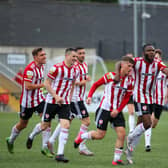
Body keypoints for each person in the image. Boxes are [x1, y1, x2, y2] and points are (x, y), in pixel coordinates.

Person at [74, 56, 135, 165]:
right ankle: (81, 137)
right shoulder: (110, 76)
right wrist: (89, 96)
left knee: (122, 134)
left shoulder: (130, 81)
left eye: (132, 66)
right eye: (129, 66)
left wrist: (118, 110)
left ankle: (116, 160)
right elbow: (95, 84)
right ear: (122, 65)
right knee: (100, 135)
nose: (131, 68)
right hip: (104, 110)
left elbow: (126, 98)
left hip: (117, 111)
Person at [25, 48, 78, 163]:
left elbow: (73, 84)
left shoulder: (75, 70)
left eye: (76, 57)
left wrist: (69, 97)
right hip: (51, 102)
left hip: (64, 103)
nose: (75, 59)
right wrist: (56, 96)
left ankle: (60, 154)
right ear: (67, 56)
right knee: (44, 126)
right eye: (73, 56)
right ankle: (31, 135)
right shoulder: (56, 68)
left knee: (66, 125)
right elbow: (47, 83)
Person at [121, 44, 168, 164]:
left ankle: (129, 152)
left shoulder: (157, 63)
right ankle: (130, 136)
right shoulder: (137, 62)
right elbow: (125, 64)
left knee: (140, 125)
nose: (151, 52)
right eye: (149, 51)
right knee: (148, 123)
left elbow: (165, 70)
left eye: (153, 50)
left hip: (150, 98)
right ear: (144, 53)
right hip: (139, 97)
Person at [47, 47, 93, 156]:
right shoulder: (74, 66)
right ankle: (81, 145)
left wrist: (85, 80)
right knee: (86, 121)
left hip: (78, 97)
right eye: (79, 53)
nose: (82, 55)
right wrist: (84, 81)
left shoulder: (84, 65)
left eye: (83, 53)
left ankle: (51, 140)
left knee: (67, 121)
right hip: (75, 99)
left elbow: (82, 79)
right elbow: (74, 82)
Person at [6, 48, 51, 156]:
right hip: (27, 103)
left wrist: (44, 89)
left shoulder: (42, 66)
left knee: (47, 122)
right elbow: (28, 86)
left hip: (39, 99)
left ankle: (44, 147)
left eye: (44, 54)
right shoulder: (30, 69)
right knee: (23, 124)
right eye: (41, 55)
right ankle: (10, 140)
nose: (44, 56)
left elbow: (40, 82)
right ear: (35, 57)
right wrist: (43, 85)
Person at [144, 49, 168, 152]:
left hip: (160, 100)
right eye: (155, 57)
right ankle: (147, 144)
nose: (156, 59)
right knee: (150, 120)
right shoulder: (150, 70)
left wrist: (166, 96)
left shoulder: (164, 71)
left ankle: (136, 131)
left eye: (158, 57)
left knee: (153, 124)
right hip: (150, 98)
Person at [125, 53, 135, 133]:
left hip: (137, 93)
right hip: (128, 93)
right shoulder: (124, 69)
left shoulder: (136, 68)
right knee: (131, 112)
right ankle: (131, 130)